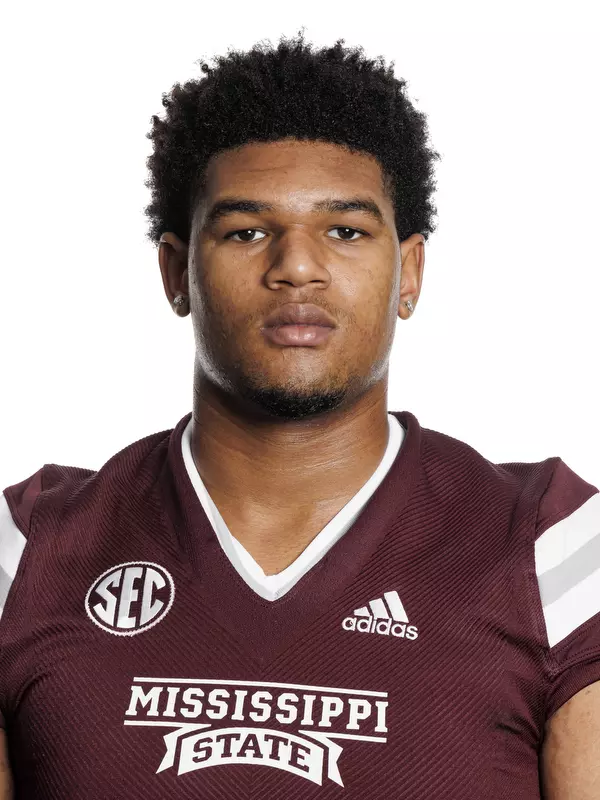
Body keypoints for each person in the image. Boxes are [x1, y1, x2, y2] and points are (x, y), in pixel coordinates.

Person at [0, 31, 598, 800]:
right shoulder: (26, 554)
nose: (297, 266)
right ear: (175, 271)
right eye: (247, 231)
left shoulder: (557, 552)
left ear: (409, 272)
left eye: (345, 231)